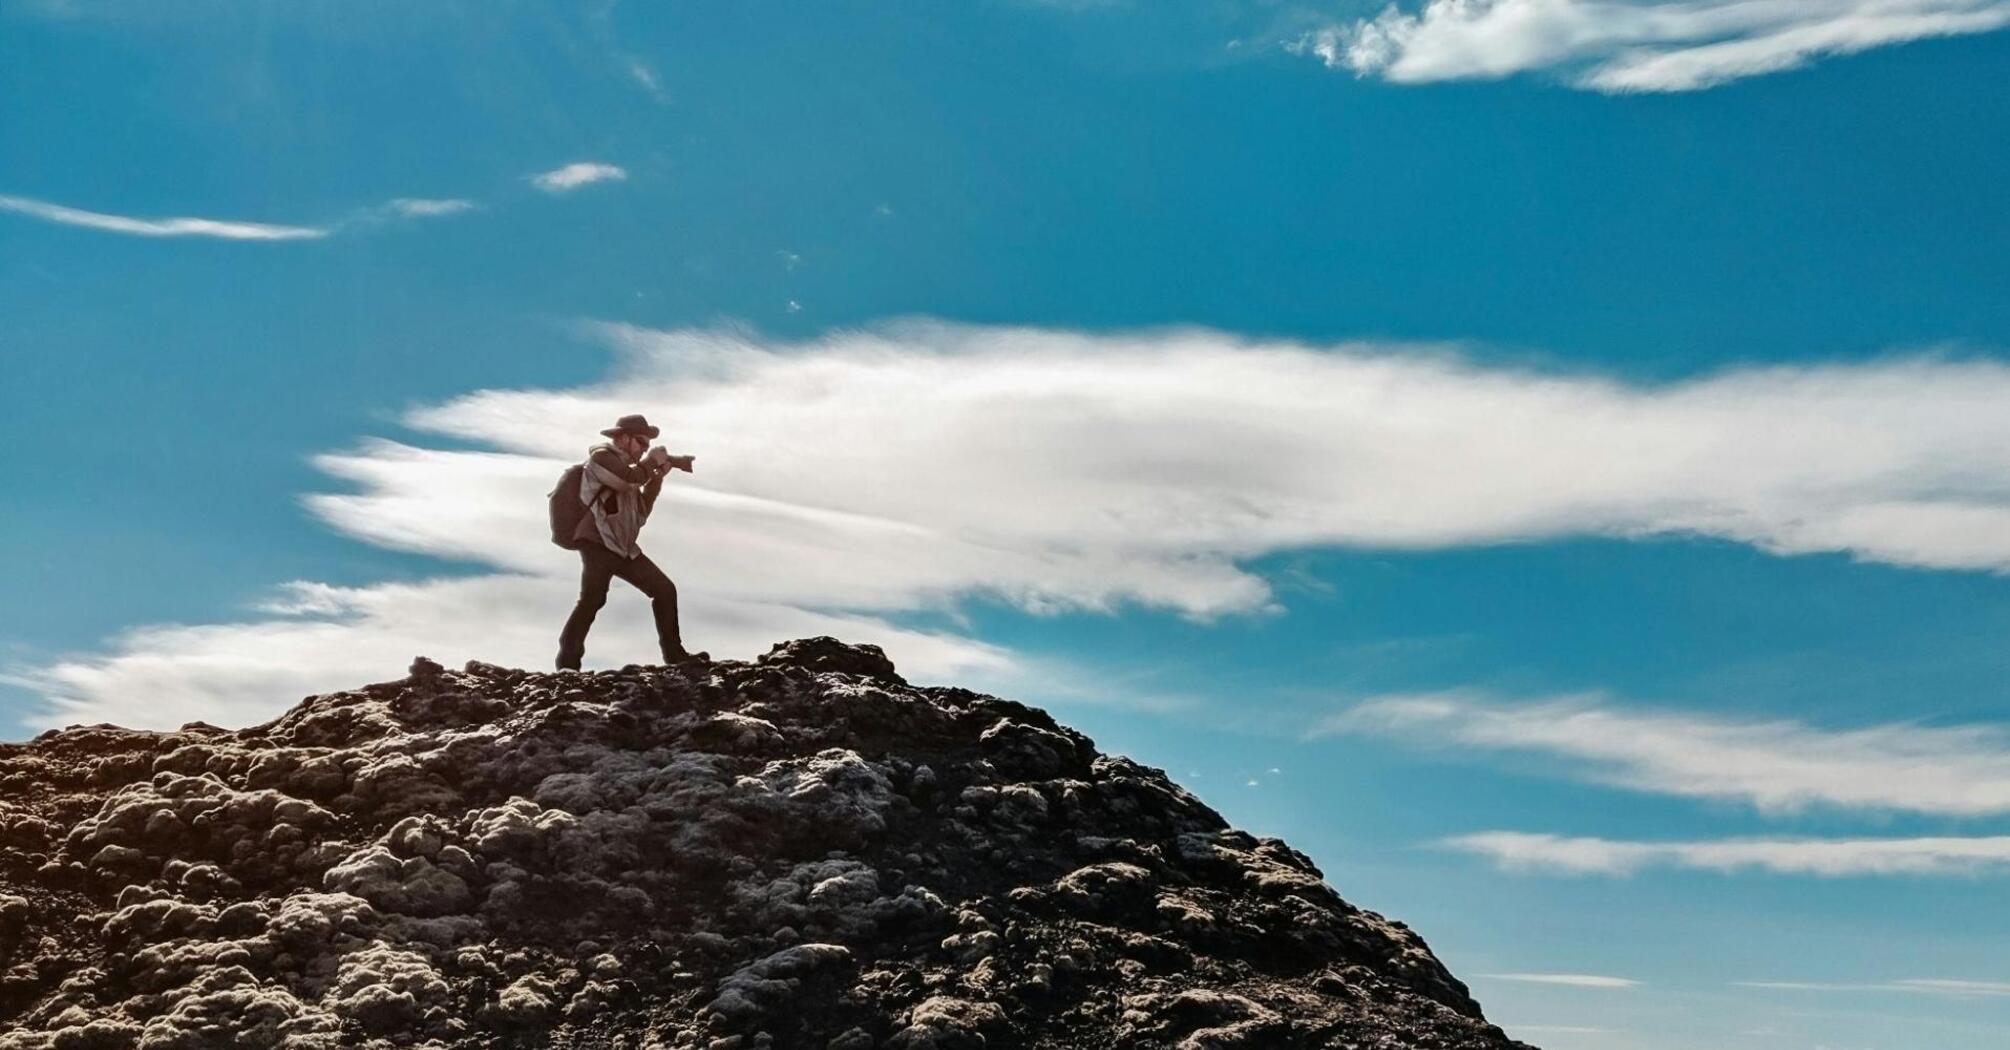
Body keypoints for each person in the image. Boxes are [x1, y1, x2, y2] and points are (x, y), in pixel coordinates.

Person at [556, 414, 699, 669]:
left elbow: (640, 514)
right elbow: (626, 480)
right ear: (622, 438)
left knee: (665, 590)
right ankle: (568, 663)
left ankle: (675, 656)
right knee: (593, 599)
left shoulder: (634, 471)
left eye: (646, 444)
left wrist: (656, 478)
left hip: (622, 548)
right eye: (641, 442)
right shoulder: (602, 457)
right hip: (598, 541)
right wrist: (651, 462)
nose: (644, 448)